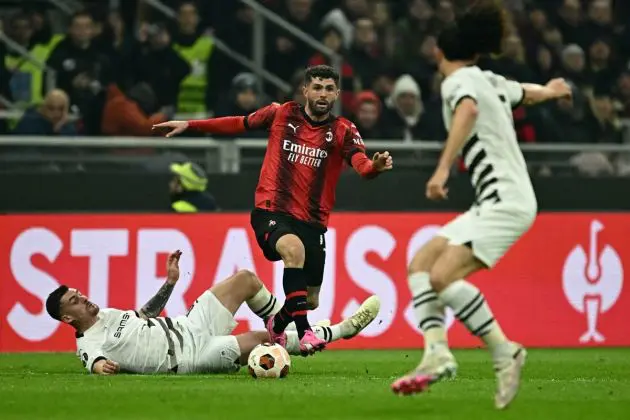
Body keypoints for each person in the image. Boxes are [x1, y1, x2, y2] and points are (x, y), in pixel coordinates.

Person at [390, 1, 571, 410]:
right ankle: (436, 351)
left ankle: (506, 351)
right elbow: (528, 93)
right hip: (496, 199)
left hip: (506, 200)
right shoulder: (490, 78)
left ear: (439, 52)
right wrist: (555, 90)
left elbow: (467, 110)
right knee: (420, 265)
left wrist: (441, 170)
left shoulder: (459, 84)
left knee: (441, 276)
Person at [153, 65, 393, 356]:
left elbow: (362, 165)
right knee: (294, 251)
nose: (322, 94)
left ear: (337, 94)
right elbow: (237, 123)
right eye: (317, 87)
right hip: (272, 210)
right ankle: (305, 333)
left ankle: (279, 324)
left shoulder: (343, 130)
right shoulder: (281, 114)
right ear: (305, 90)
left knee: (310, 299)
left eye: (329, 89)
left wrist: (375, 167)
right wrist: (191, 125)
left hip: (313, 222)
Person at [45, 250, 380, 375]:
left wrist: (171, 282)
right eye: (74, 301)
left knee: (245, 279)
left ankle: (292, 324)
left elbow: (144, 314)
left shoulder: (106, 315)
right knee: (263, 341)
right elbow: (94, 363)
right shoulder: (89, 343)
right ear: (68, 319)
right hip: (191, 357)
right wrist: (103, 367)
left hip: (188, 325)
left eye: (79, 293)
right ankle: (339, 331)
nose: (84, 298)